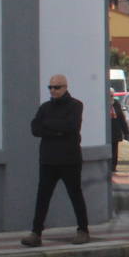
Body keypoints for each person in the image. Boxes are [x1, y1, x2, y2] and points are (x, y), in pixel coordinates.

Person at [21, 74, 91, 247]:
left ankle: (83, 230)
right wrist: (57, 130)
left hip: (69, 159)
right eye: (50, 87)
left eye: (57, 87)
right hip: (48, 160)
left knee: (75, 195)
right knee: (42, 197)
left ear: (65, 87)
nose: (53, 90)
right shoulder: (45, 107)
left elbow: (71, 126)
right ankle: (36, 233)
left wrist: (49, 127)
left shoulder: (76, 105)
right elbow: (35, 128)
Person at [109, 95, 129, 174]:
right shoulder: (103, 103)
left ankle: (113, 167)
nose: (111, 97)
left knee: (114, 150)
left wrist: (126, 132)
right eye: (110, 95)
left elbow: (121, 118)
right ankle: (109, 166)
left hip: (115, 131)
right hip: (107, 132)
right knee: (109, 149)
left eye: (112, 95)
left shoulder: (116, 104)